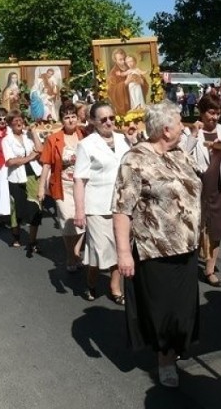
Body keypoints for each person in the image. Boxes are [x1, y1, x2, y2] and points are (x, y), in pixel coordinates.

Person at [113, 100, 202, 388]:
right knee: (164, 311)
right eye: (179, 123)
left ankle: (175, 349)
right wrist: (124, 253)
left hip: (187, 246)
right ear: (166, 129)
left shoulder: (179, 154)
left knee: (184, 309)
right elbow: (121, 209)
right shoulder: (134, 159)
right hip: (156, 249)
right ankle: (165, 361)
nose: (183, 127)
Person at [73, 101, 136, 304]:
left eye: (111, 118)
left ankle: (115, 288)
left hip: (122, 205)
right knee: (100, 250)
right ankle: (92, 281)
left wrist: (134, 142)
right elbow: (79, 180)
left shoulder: (124, 139)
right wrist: (80, 211)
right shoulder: (86, 145)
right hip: (97, 206)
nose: (109, 123)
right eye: (103, 119)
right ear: (93, 121)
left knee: (120, 247)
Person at [188, 93, 221, 287]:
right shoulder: (191, 131)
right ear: (202, 112)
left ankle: (210, 269)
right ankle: (191, 262)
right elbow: (183, 154)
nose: (215, 117)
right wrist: (194, 134)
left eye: (218, 113)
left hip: (219, 185)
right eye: (211, 113)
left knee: (218, 228)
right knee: (196, 227)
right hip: (198, 185)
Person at [38, 102, 86, 269]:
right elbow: (46, 164)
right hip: (62, 185)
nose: (71, 120)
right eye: (67, 117)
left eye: (73, 116)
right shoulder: (54, 139)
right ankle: (71, 255)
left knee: (81, 221)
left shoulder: (85, 135)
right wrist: (41, 187)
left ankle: (75, 253)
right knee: (67, 221)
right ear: (62, 120)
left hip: (83, 186)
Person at [4, 110, 43, 251]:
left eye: (20, 120)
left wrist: (34, 133)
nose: (19, 123)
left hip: (33, 174)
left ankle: (33, 241)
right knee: (17, 208)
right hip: (16, 177)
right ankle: (16, 236)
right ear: (10, 124)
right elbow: (9, 162)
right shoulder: (7, 140)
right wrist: (28, 158)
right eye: (15, 121)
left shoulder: (28, 137)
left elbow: (40, 150)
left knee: (35, 206)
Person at [107, 48, 131, 115]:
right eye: (120, 59)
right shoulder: (113, 73)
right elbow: (111, 91)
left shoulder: (130, 68)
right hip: (124, 104)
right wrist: (125, 83)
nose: (123, 61)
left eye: (124, 59)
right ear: (115, 60)